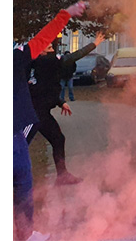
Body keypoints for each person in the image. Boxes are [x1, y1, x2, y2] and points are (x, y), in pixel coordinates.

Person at [14, 0, 87, 241]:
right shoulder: (22, 58)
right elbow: (42, 39)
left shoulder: (22, 59)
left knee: (21, 182)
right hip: (16, 131)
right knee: (22, 183)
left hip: (20, 127)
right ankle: (24, 233)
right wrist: (65, 15)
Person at [27, 31, 105, 185]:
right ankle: (20, 184)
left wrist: (60, 101)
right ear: (40, 51)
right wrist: (93, 44)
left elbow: (44, 89)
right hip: (32, 113)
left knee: (58, 138)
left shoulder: (38, 64)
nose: (50, 46)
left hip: (40, 112)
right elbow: (73, 56)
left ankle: (62, 176)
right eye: (47, 46)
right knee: (20, 145)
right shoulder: (48, 61)